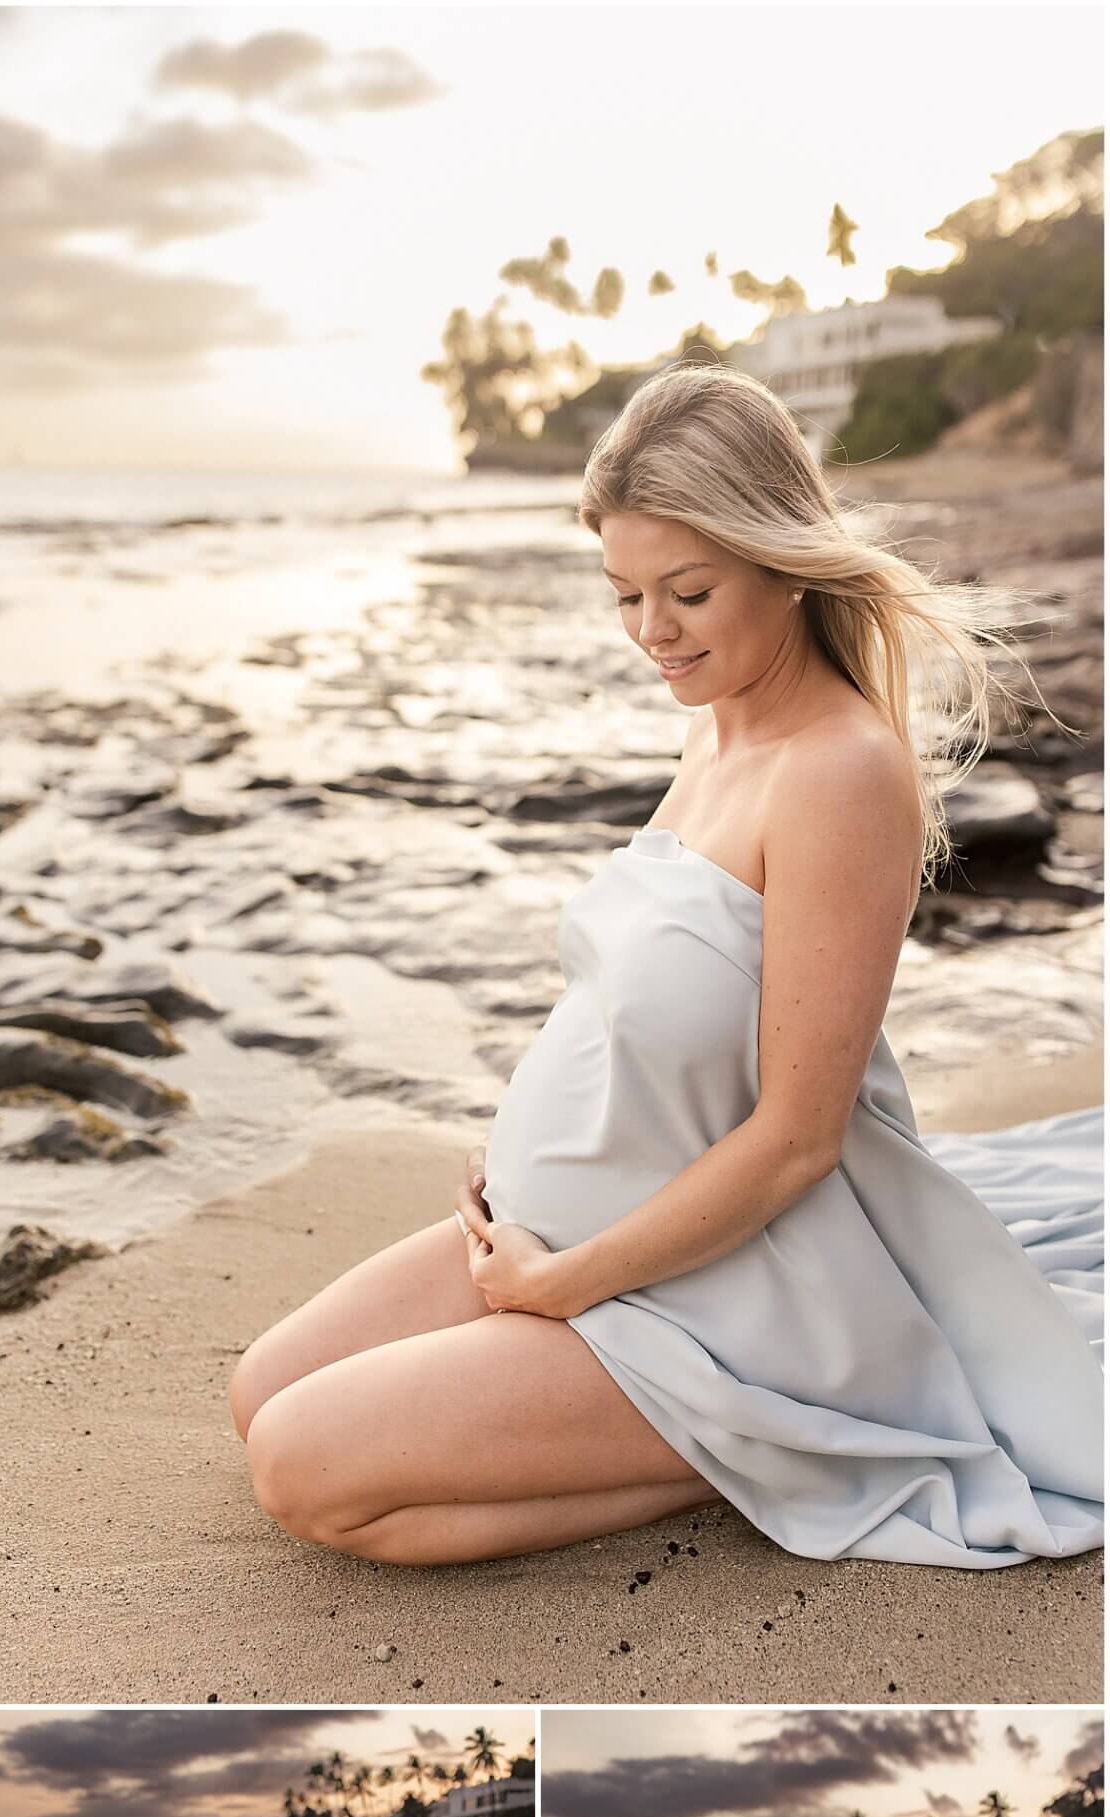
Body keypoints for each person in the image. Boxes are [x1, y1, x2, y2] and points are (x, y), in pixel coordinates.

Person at [228, 361, 1102, 1570]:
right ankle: (697, 1432)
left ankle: (768, 1432)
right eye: (624, 594)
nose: (652, 633)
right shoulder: (716, 726)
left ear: (784, 561)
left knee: (306, 1470)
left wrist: (566, 1284)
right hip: (565, 1223)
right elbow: (654, 986)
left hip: (726, 1287)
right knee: (258, 1392)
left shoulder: (838, 772)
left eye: (687, 590)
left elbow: (799, 1136)